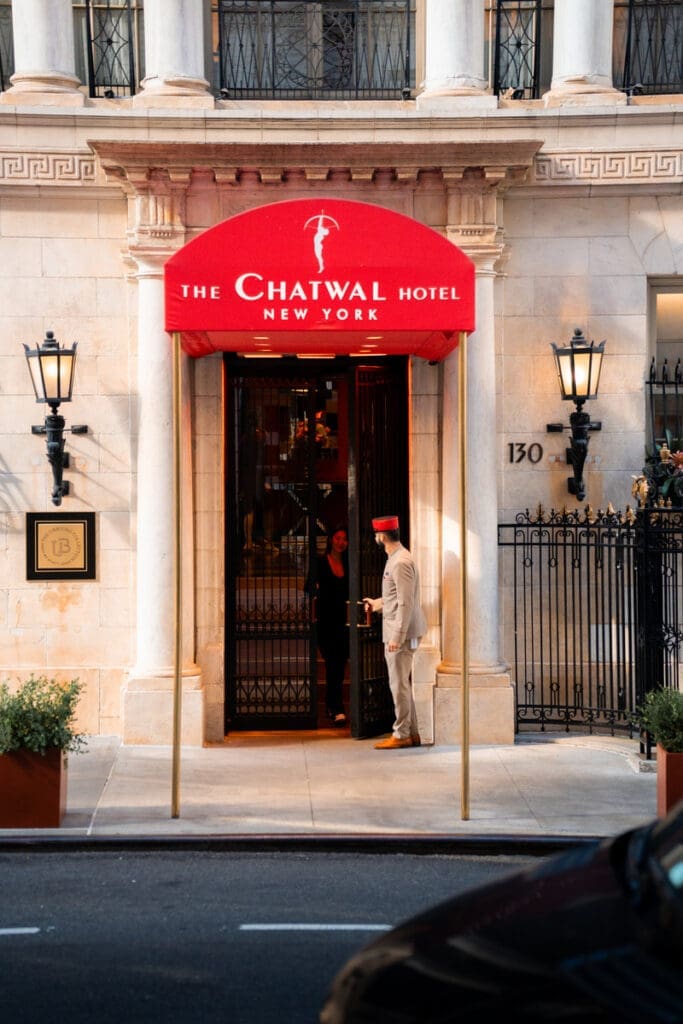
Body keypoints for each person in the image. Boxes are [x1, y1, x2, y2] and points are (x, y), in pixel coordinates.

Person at [364, 514, 426, 749]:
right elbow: (394, 597)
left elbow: (406, 602)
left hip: (401, 632)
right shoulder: (397, 558)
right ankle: (412, 733)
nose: (376, 539)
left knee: (398, 684)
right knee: (402, 684)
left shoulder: (400, 562)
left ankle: (401, 735)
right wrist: (377, 603)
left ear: (382, 536)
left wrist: (397, 638)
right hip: (397, 629)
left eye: (376, 535)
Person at [313, 526, 350, 726]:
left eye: (345, 539)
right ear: (330, 540)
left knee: (339, 665)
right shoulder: (320, 562)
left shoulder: (350, 564)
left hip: (344, 623)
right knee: (332, 664)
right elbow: (309, 587)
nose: (341, 542)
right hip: (326, 622)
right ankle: (336, 708)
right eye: (338, 538)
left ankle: (333, 706)